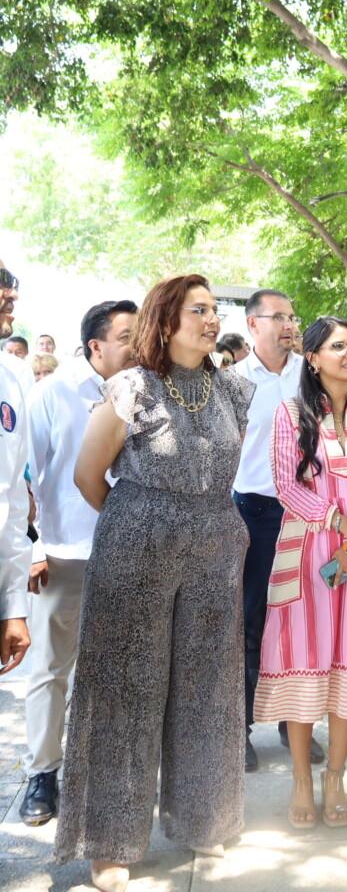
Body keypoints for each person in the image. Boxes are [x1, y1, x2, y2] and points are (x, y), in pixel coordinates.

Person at [54, 274, 255, 892]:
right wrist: (143, 523)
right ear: (166, 321)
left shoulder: (234, 393)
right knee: (124, 690)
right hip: (135, 553)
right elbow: (90, 477)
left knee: (208, 691)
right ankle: (109, 839)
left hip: (216, 552)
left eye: (215, 310)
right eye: (198, 310)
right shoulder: (131, 387)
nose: (211, 319)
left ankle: (203, 819)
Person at [253, 316, 347, 829]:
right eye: (338, 346)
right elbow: (287, 486)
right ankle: (300, 778)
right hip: (308, 555)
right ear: (312, 358)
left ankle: (335, 775)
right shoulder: (290, 414)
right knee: (307, 666)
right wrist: (340, 522)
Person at [19, 300, 138, 828]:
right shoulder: (52, 393)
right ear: (96, 345)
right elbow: (26, 475)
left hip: (126, 555)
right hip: (63, 555)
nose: (139, 346)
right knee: (50, 669)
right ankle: (43, 772)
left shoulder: (143, 393)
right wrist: (34, 547)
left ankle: (105, 772)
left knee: (117, 669)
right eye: (128, 337)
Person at [232, 289, 324, 771]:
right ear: (253, 325)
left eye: (293, 316)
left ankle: (295, 723)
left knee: (299, 623)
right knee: (248, 623)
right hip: (253, 513)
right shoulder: (230, 383)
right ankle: (239, 729)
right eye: (278, 317)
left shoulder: (311, 379)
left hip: (306, 513)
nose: (289, 324)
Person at [0, 259, 32, 679]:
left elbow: (12, 502)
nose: (12, 294)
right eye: (2, 284)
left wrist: (13, 607)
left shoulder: (11, 380)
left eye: (11, 284)